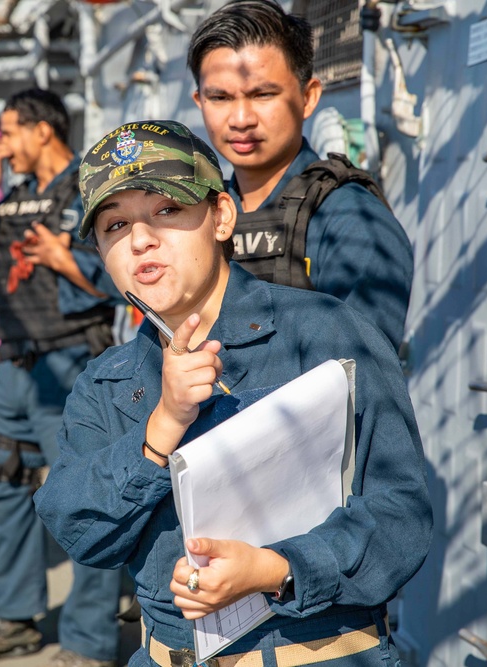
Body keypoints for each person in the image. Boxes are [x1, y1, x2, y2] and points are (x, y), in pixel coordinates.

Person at [34, 120, 432, 667]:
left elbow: (401, 514)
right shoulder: (108, 381)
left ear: (221, 216)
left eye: (166, 210)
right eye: (115, 224)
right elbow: (78, 530)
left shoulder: (327, 335)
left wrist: (276, 567)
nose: (140, 239)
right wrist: (161, 428)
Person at [0, 88, 121, 667]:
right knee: (5, 492)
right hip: (13, 369)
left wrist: (64, 258)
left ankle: (88, 642)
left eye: (9, 132)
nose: (2, 143)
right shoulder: (13, 195)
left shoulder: (92, 187)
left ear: (42, 130)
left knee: (86, 501)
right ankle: (16, 619)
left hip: (74, 365)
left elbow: (126, 279)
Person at [188, 0, 413, 352]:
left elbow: (356, 378)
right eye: (220, 97)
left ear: (308, 97)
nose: (241, 118)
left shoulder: (350, 219)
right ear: (199, 101)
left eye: (262, 94)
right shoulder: (194, 217)